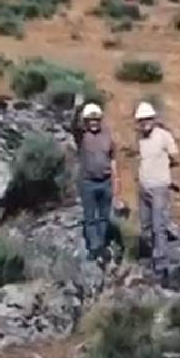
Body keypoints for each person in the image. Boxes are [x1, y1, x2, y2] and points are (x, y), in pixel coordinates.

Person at [133, 101, 179, 287]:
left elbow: (175, 156)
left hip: (159, 187)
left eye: (147, 119)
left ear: (153, 119)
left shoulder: (164, 136)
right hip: (144, 188)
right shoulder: (140, 139)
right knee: (145, 226)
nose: (145, 123)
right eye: (141, 120)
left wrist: (165, 173)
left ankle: (161, 267)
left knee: (158, 227)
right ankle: (150, 257)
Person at [72, 97, 119, 266]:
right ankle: (95, 248)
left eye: (96, 119)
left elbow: (113, 158)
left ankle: (102, 244)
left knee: (104, 217)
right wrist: (77, 108)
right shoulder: (82, 137)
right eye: (90, 120)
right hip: (88, 183)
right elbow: (73, 126)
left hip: (105, 182)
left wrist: (116, 181)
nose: (93, 123)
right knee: (90, 218)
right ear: (85, 121)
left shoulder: (107, 136)